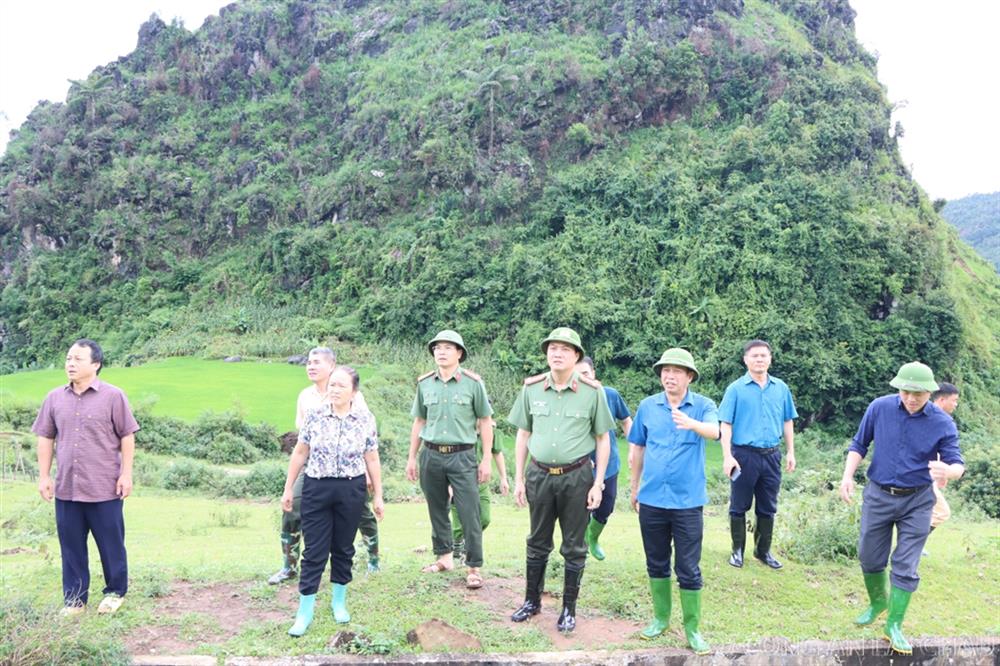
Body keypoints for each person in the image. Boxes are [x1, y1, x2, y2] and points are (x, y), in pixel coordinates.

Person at [839, 361, 964, 655]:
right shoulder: (879, 408)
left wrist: (949, 471)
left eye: (918, 394)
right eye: (906, 392)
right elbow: (859, 444)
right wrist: (847, 476)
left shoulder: (942, 422)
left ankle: (893, 625)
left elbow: (957, 462)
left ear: (929, 393)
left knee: (906, 565)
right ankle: (878, 601)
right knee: (869, 556)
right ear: (898, 388)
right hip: (878, 494)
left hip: (918, 500)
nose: (911, 399)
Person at [508, 327, 614, 632]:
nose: (557, 353)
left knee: (574, 545)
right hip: (539, 474)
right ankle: (532, 601)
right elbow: (522, 434)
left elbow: (603, 439)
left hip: (577, 477)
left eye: (565, 349)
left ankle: (569, 609)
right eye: (552, 348)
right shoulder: (531, 389)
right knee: (537, 540)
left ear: (576, 356)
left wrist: (598, 483)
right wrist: (518, 479)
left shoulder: (593, 392)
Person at [32, 339, 140, 616]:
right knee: (71, 547)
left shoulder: (113, 396)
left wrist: (126, 474)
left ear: (96, 364)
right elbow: (45, 437)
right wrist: (44, 476)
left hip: (104, 486)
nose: (70, 363)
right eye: (69, 358)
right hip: (67, 487)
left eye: (78, 359)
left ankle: (115, 592)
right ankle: (75, 600)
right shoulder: (54, 398)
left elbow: (127, 436)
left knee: (111, 544)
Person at [281, 366, 384, 637]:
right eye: (332, 385)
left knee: (343, 548)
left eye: (341, 385)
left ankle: (339, 601)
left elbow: (372, 457)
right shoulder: (314, 415)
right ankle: (305, 611)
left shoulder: (364, 418)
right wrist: (288, 488)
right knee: (314, 551)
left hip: (351, 490)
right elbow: (300, 452)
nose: (335, 390)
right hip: (317, 488)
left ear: (354, 391)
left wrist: (379, 496)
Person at [629, 348, 719, 654]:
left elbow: (715, 431)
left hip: (687, 502)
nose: (669, 376)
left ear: (689, 376)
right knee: (656, 561)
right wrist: (634, 488)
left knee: (688, 567)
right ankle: (660, 619)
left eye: (677, 371)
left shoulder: (703, 405)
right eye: (665, 370)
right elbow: (637, 449)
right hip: (652, 498)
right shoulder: (648, 406)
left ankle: (692, 629)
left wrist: (691, 423)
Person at [269, 347, 380, 585]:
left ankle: (373, 559)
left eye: (317, 362)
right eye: (309, 362)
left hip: (350, 470)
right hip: (314, 468)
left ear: (332, 367)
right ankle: (289, 565)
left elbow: (365, 441)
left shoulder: (353, 394)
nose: (311, 366)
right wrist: (289, 484)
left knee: (362, 513)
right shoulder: (305, 397)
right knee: (292, 509)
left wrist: (367, 474)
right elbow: (301, 445)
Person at [405, 330, 494, 589]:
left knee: (469, 512)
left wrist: (486, 459)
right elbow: (419, 421)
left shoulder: (473, 383)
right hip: (431, 454)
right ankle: (444, 558)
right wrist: (412, 457)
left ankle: (474, 566)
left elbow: (485, 421)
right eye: (437, 348)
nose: (441, 352)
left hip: (463, 455)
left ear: (459, 353)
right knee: (437, 508)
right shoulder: (425, 384)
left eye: (447, 347)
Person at [719, 340, 797, 570]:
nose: (759, 359)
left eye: (764, 355)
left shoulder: (781, 388)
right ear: (746, 360)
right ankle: (737, 551)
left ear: (770, 359)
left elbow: (787, 420)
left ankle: (763, 551)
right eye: (754, 356)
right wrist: (727, 456)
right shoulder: (735, 389)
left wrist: (791, 451)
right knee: (739, 504)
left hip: (772, 456)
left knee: (767, 506)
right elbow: (726, 424)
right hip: (743, 455)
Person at [575, 357, 632, 561]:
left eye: (586, 375)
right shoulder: (567, 399)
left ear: (594, 374)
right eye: (577, 376)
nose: (583, 380)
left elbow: (626, 421)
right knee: (580, 509)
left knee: (605, 508)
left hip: (608, 465)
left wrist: (633, 447)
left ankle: (593, 537)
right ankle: (577, 545)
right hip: (578, 467)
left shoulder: (609, 395)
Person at [451, 416, 510, 565]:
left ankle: (465, 544)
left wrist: (503, 478)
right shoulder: (460, 429)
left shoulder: (492, 432)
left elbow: (497, 453)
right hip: (460, 481)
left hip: (481, 483)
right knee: (459, 523)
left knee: (484, 518)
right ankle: (457, 548)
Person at [925, 382, 959, 554]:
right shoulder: (930, 417)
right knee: (942, 512)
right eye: (954, 400)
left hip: (928, 477)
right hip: (920, 479)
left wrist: (941, 474)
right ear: (942, 399)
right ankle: (914, 545)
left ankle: (913, 545)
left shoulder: (941, 420)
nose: (955, 404)